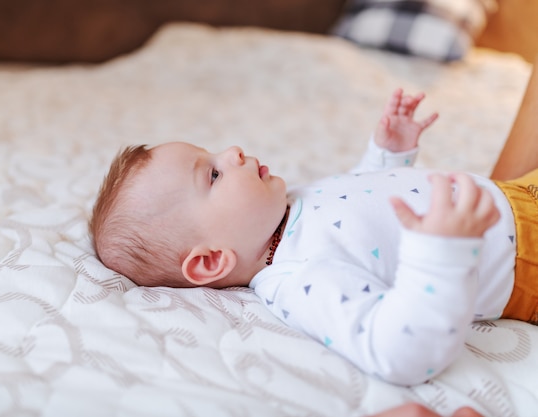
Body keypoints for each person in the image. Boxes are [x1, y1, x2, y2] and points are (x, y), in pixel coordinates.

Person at [90, 62, 536, 402]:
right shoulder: (301, 279)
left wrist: (387, 156)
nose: (233, 151)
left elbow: (364, 210)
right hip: (525, 255)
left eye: (214, 153)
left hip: (516, 194)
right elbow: (397, 352)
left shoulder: (284, 210)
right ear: (211, 260)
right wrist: (441, 254)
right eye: (212, 175)